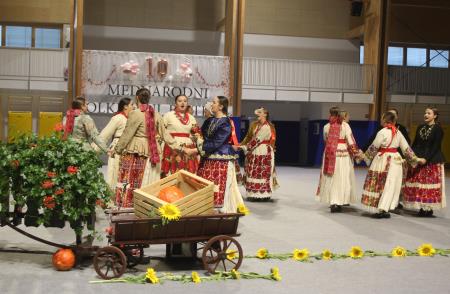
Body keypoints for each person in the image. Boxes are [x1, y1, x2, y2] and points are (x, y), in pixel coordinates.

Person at [184, 96, 244, 213]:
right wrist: (196, 137)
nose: (211, 104)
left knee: (217, 187)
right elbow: (203, 137)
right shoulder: (209, 121)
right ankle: (203, 210)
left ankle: (219, 214)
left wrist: (194, 150)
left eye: (214, 102)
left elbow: (216, 143)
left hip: (220, 160)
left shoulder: (226, 123)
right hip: (207, 159)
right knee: (204, 185)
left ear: (221, 106)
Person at [361, 112, 426, 218]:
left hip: (383, 159)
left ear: (385, 120)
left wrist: (364, 157)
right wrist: (416, 159)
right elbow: (406, 149)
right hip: (395, 160)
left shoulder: (382, 132)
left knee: (381, 182)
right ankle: (384, 208)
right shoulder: (398, 132)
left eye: (382, 119)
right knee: (391, 185)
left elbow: (374, 147)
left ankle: (381, 208)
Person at [114, 88, 163, 207]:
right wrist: (180, 148)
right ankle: (142, 204)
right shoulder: (155, 114)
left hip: (135, 149)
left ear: (137, 98)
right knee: (145, 178)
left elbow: (127, 134)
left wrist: (118, 149)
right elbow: (165, 134)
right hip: (151, 151)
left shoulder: (135, 113)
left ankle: (126, 203)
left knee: (128, 177)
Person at [316, 107, 362, 212]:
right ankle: (340, 200)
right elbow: (351, 142)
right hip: (343, 154)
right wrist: (356, 154)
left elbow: (325, 140)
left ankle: (333, 201)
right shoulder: (345, 125)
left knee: (331, 177)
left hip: (330, 153)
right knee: (342, 177)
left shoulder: (326, 126)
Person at [403, 107, 446, 217]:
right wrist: (411, 157)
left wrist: (426, 159)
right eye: (425, 113)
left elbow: (435, 146)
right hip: (420, 159)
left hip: (432, 160)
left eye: (428, 113)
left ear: (435, 116)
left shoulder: (438, 129)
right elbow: (415, 143)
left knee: (429, 185)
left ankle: (428, 208)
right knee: (420, 185)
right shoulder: (420, 127)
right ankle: (422, 207)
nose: (425, 115)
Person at [235, 107, 278, 201]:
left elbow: (257, 140)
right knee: (253, 171)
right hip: (255, 151)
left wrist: (243, 147)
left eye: (260, 112)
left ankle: (263, 194)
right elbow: (249, 137)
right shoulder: (255, 125)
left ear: (265, 114)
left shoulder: (267, 127)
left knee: (262, 172)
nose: (257, 114)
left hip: (263, 152)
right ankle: (253, 193)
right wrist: (241, 144)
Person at [99, 97, 134, 191]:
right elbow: (105, 134)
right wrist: (96, 149)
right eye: (132, 104)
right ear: (125, 106)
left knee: (126, 175)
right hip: (117, 149)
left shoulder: (132, 118)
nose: (134, 107)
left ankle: (123, 197)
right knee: (114, 173)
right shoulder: (117, 118)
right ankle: (111, 197)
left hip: (129, 149)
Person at [161, 95, 199, 177]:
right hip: (173, 146)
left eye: (185, 101)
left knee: (188, 175)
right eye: (180, 101)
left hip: (188, 148)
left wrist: (196, 136)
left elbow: (195, 133)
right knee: (172, 175)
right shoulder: (168, 115)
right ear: (175, 103)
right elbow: (162, 131)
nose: (182, 103)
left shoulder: (191, 118)